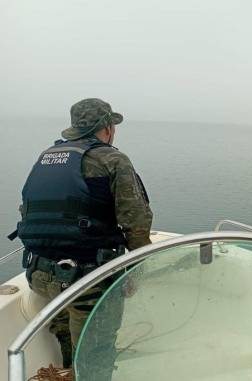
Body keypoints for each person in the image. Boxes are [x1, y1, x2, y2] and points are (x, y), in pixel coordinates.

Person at [9, 98, 153, 379]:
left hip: (39, 274)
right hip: (87, 281)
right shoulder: (113, 159)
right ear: (108, 128)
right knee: (95, 355)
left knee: (68, 340)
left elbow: (29, 209)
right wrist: (136, 271)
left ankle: (70, 371)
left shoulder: (48, 155)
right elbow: (136, 221)